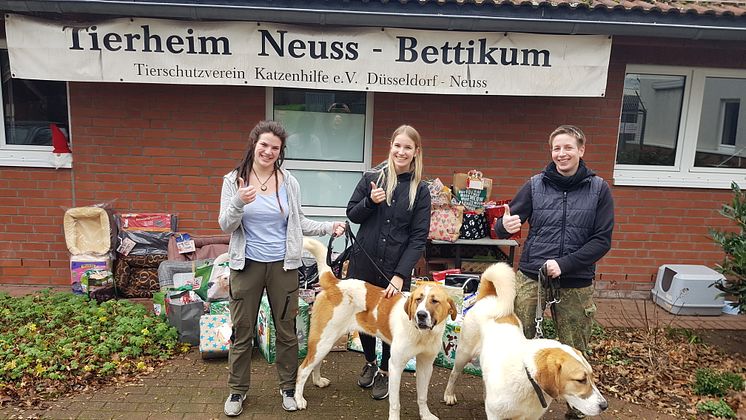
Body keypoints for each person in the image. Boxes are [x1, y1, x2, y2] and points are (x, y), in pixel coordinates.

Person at [219, 120, 345, 417]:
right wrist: (239, 200)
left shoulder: (289, 182)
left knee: (286, 330)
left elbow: (298, 223)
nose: (268, 151)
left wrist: (329, 226)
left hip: (283, 265)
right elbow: (226, 224)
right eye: (264, 145)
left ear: (280, 151)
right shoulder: (233, 179)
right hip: (246, 265)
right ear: (253, 144)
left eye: (275, 148)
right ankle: (237, 391)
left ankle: (288, 388)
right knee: (242, 330)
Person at [493, 125, 614, 419]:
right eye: (557, 148)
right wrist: (503, 227)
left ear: (581, 150)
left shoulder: (598, 189)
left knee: (574, 349)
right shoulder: (535, 185)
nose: (562, 154)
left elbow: (602, 241)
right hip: (533, 276)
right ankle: (521, 401)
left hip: (575, 281)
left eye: (568, 147)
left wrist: (566, 263)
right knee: (521, 342)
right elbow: (505, 224)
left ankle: (578, 409)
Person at [345, 124, 432, 400]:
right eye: (397, 146)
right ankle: (370, 362)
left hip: (395, 268)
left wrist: (400, 274)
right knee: (367, 317)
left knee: (394, 321)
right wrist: (370, 201)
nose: (401, 151)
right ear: (391, 147)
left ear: (416, 152)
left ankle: (385, 370)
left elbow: (418, 238)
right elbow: (352, 215)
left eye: (407, 147)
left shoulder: (421, 191)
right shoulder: (373, 178)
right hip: (365, 262)